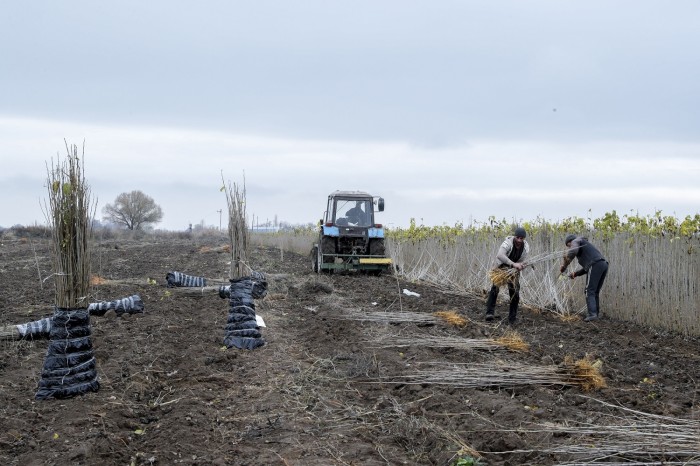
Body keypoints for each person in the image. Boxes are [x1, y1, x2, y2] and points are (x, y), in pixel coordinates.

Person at [485, 226, 530, 324]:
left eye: (521, 238)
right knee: (495, 288)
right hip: (501, 266)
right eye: (517, 237)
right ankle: (489, 313)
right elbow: (500, 255)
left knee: (515, 292)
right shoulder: (507, 243)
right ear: (514, 236)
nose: (519, 240)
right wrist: (513, 264)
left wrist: (521, 266)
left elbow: (522, 261)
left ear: (524, 239)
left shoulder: (526, 247)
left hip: (513, 270)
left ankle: (512, 318)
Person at [560, 234, 609, 322]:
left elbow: (573, 251)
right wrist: (576, 274)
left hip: (596, 264)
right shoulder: (584, 246)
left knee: (588, 290)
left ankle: (592, 314)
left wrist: (565, 265)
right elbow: (588, 268)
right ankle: (595, 314)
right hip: (603, 264)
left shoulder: (576, 241)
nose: (569, 248)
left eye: (569, 245)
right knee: (595, 291)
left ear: (571, 241)